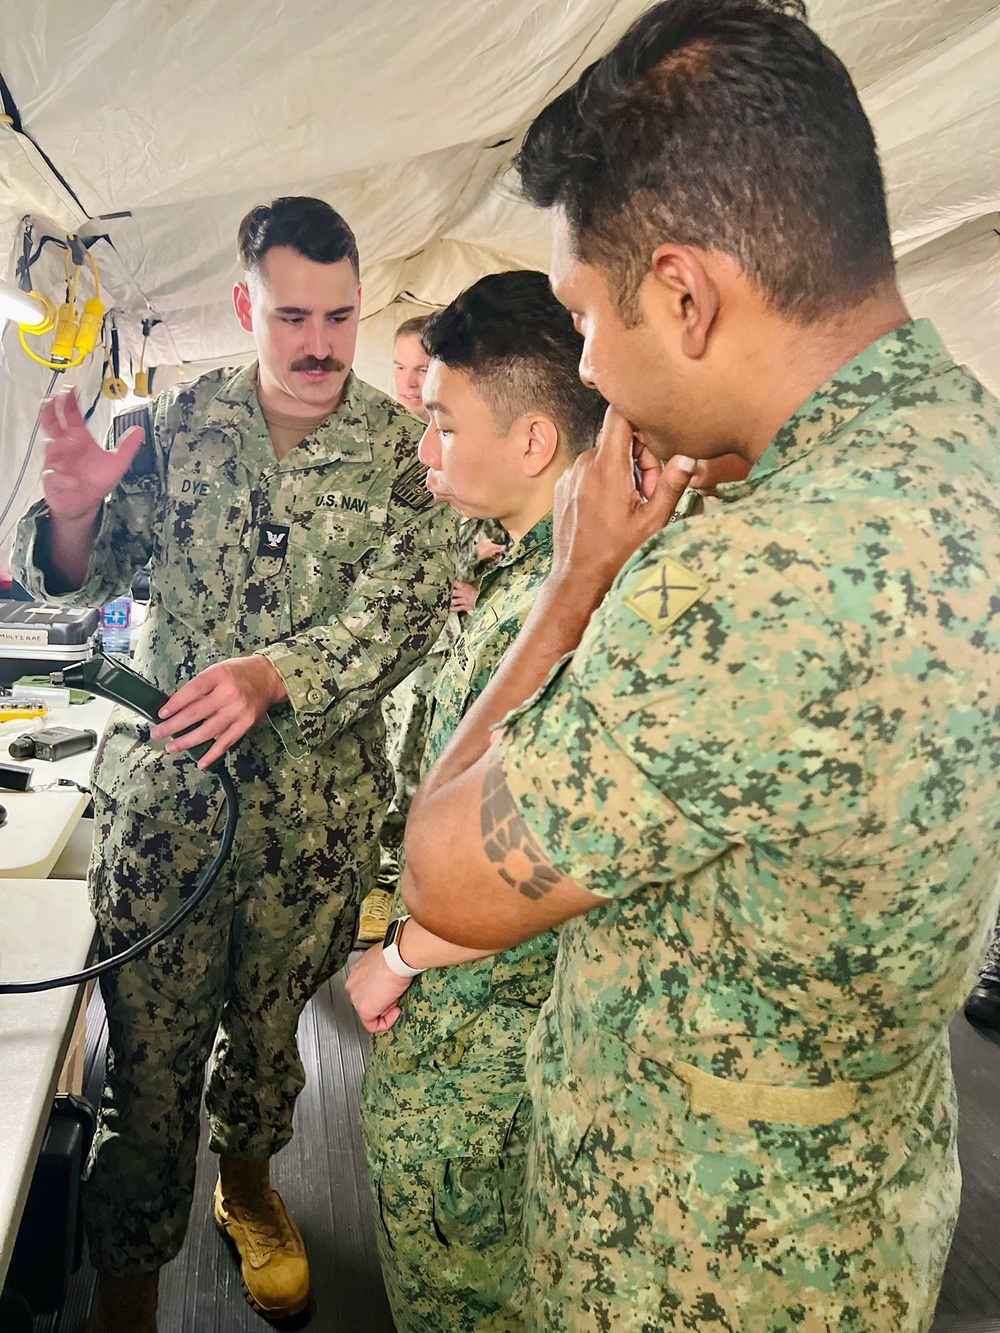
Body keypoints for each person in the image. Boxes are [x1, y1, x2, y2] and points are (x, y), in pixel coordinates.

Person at [395, 3, 1000, 1331]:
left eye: (585, 318)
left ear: (683, 290)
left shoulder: (753, 578)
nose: (591, 368)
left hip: (685, 1254)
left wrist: (572, 590)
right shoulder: (960, 441)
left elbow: (443, 870)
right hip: (856, 1203)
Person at [12, 196, 456, 1333]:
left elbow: (404, 612)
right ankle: (128, 1280)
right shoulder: (176, 423)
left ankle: (250, 1186)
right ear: (243, 306)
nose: (319, 343)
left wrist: (278, 672)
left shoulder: (404, 454)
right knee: (147, 1064)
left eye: (342, 316)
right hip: (165, 808)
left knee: (268, 1036)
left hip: (307, 827)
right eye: (293, 313)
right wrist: (67, 514)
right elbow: (83, 577)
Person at [347, 269, 605, 1331]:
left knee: (466, 1294)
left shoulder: (567, 605)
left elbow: (546, 850)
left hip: (494, 1052)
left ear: (535, 440)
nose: (424, 446)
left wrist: (400, 953)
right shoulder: (538, 574)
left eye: (445, 422)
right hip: (486, 1026)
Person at [358, 315, 505, 943]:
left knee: (424, 765)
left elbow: (508, 544)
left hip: (450, 648)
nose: (409, 383)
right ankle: (380, 884)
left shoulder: (473, 447)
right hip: (390, 647)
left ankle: (402, 890)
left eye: (421, 369)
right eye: (400, 368)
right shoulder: (378, 452)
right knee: (389, 760)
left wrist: (481, 588)